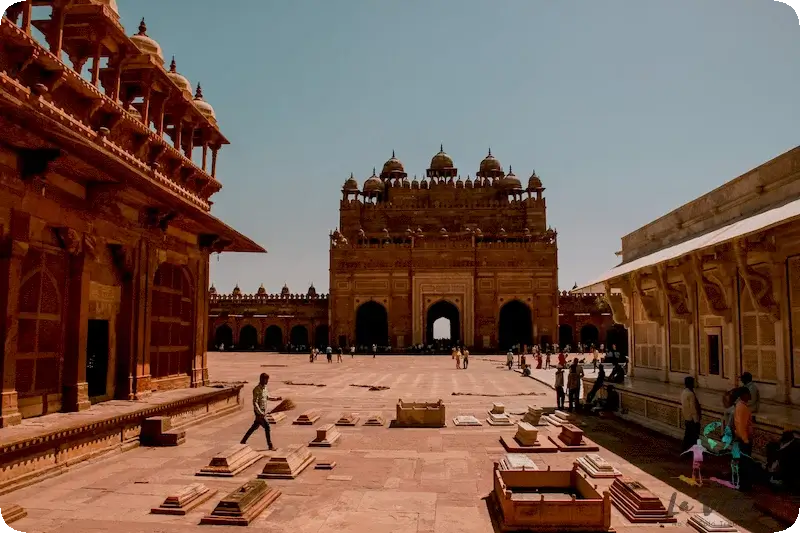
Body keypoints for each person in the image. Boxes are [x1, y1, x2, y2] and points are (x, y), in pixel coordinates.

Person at [240, 373, 276, 451]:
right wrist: (260, 412)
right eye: (266, 380)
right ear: (261, 379)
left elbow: (267, 397)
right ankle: (270, 445)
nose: (267, 381)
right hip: (259, 412)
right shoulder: (256, 389)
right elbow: (255, 402)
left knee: (254, 427)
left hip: (263, 411)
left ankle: (243, 441)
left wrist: (275, 398)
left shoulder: (265, 388)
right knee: (267, 427)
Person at [733, 387, 754, 491]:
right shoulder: (743, 408)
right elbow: (742, 425)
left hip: (741, 437)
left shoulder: (740, 405)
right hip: (744, 439)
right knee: (745, 463)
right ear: (744, 395)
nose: (750, 395)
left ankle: (742, 484)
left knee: (742, 462)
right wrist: (746, 440)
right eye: (748, 393)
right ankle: (745, 485)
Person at [680, 376, 701, 452]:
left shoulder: (684, 392)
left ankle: (684, 450)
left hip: (687, 418)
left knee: (688, 436)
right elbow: (693, 409)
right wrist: (696, 421)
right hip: (692, 419)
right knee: (694, 437)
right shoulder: (691, 394)